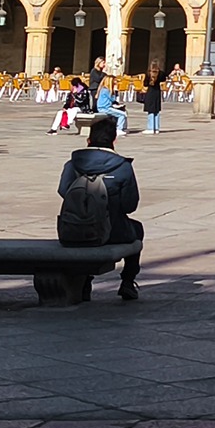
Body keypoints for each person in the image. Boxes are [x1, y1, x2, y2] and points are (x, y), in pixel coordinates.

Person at [57, 114, 142, 300]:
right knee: (137, 229)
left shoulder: (72, 164)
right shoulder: (122, 167)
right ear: (114, 140)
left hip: (73, 229)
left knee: (87, 231)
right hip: (113, 231)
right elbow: (130, 205)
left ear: (89, 140)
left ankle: (85, 281)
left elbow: (63, 191)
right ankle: (127, 281)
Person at [140, 65, 164, 135]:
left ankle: (150, 128)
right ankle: (156, 128)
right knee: (156, 111)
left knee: (151, 111)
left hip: (150, 93)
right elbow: (164, 77)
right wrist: (158, 71)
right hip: (157, 93)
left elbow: (145, 84)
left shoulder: (148, 75)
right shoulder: (160, 75)